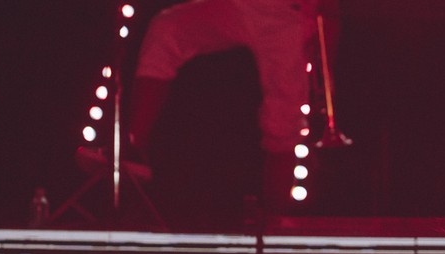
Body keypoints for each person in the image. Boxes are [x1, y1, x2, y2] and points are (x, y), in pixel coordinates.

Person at [95, 0, 336, 208]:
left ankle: (276, 221)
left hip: (289, 15)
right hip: (238, 4)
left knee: (283, 120)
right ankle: (133, 146)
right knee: (166, 30)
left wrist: (327, 55)